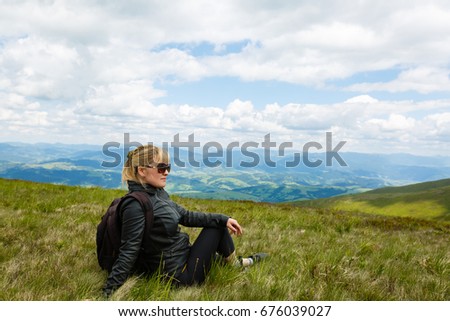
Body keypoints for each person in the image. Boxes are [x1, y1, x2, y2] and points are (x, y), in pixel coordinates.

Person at [103, 144, 267, 296]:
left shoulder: (158, 194)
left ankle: (239, 262)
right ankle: (236, 265)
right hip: (179, 275)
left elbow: (185, 216)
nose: (166, 172)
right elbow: (129, 250)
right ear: (142, 171)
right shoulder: (135, 205)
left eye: (167, 167)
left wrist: (224, 218)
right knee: (216, 228)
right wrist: (107, 293)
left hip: (184, 256)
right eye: (161, 168)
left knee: (218, 223)